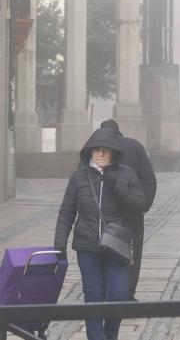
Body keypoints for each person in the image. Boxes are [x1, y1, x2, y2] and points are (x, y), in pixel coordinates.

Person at [54, 128, 146, 340]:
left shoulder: (127, 174)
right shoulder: (79, 177)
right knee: (93, 297)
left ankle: (111, 335)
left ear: (113, 153)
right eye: (97, 150)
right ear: (90, 152)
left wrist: (118, 186)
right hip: (88, 247)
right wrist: (60, 242)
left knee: (118, 295)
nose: (101, 154)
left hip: (117, 247)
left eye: (105, 150)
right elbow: (66, 212)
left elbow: (139, 205)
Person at [100, 119, 157, 301]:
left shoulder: (96, 150)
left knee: (105, 247)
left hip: (105, 211)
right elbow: (149, 180)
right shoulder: (135, 147)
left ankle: (108, 289)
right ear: (119, 131)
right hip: (132, 209)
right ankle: (127, 292)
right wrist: (143, 205)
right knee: (133, 249)